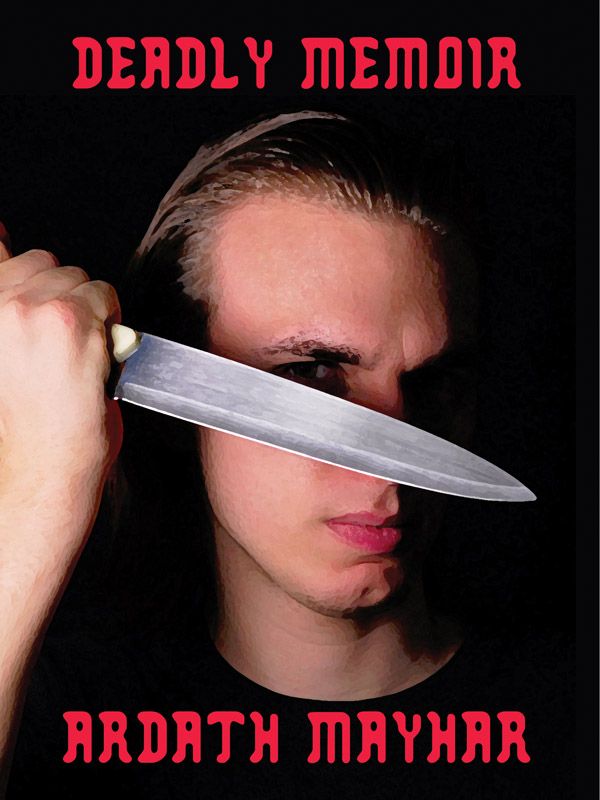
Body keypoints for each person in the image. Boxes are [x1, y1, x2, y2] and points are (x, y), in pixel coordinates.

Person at [2, 111, 572, 797]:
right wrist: (37, 498)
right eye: (310, 375)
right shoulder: (48, 719)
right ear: (183, 402)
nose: (386, 460)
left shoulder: (572, 725)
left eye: (432, 382)